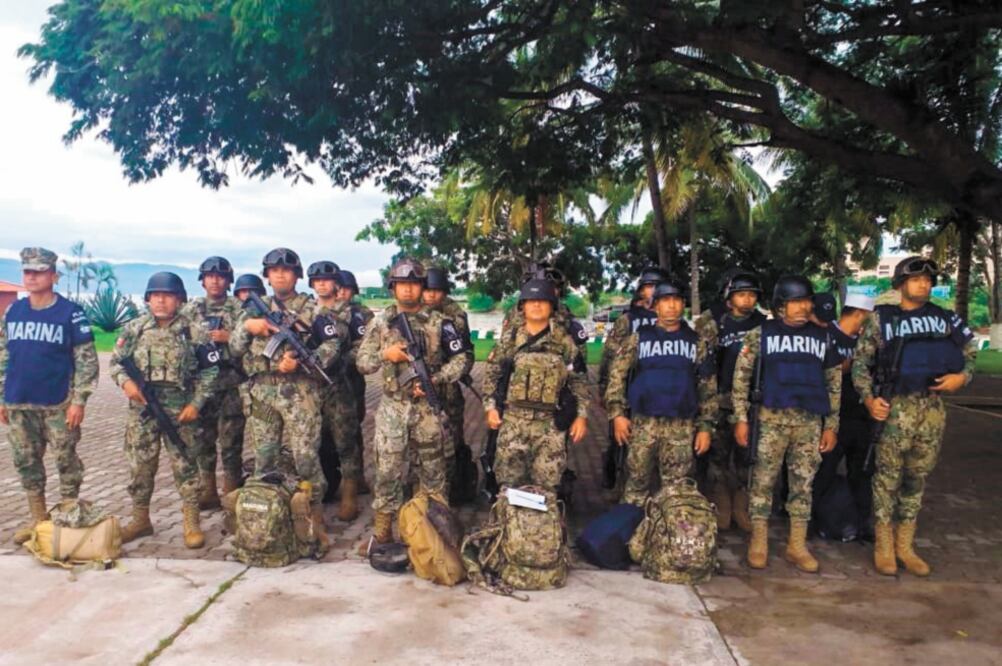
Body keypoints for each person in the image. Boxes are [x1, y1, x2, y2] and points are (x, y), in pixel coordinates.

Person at [852, 256, 978, 577]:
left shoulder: (946, 319)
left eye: (928, 280)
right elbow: (860, 365)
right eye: (917, 279)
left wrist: (961, 378)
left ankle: (905, 545)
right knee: (886, 479)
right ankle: (884, 545)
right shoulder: (882, 321)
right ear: (900, 284)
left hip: (931, 409)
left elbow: (969, 355)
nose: (924, 284)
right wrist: (868, 399)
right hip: (894, 409)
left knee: (916, 477)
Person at [230, 248, 345, 554]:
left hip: (300, 393)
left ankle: (314, 519)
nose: (280, 275)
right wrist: (248, 328)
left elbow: (333, 343)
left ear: (297, 275)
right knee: (264, 458)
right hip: (264, 393)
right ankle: (264, 523)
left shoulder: (313, 310)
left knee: (306, 457)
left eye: (287, 270)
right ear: (267, 276)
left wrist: (309, 362)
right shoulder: (253, 310)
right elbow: (233, 349)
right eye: (274, 270)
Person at [355, 258, 468, 551]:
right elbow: (362, 362)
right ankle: (382, 535)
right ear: (393, 288)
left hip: (428, 409)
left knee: (433, 472)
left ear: (421, 287)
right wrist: (386, 354)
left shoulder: (440, 323)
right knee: (388, 471)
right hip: (393, 407)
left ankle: (430, 533)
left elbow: (461, 359)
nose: (407, 291)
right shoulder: (380, 323)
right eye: (401, 285)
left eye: (413, 284)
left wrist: (438, 377)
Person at [732, 275, 841, 573]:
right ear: (781, 306)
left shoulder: (823, 337)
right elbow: (740, 381)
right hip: (769, 422)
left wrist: (831, 425)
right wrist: (741, 419)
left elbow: (833, 384)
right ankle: (759, 541)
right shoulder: (760, 334)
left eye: (806, 301)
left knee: (802, 485)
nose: (803, 307)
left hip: (808, 423)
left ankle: (796, 545)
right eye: (796, 302)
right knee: (762, 482)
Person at [110, 272, 219, 548]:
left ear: (179, 299)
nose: (160, 300)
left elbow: (211, 371)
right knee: (140, 466)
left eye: (167, 295)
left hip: (180, 410)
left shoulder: (194, 330)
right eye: (155, 295)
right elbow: (116, 363)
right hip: (142, 409)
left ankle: (191, 521)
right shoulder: (135, 328)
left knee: (185, 464)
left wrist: (197, 403)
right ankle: (140, 519)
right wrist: (126, 384)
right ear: (147, 299)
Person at [0, 247, 99, 544]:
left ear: (53, 276)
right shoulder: (13, 311)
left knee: (66, 462)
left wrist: (79, 400)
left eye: (39, 271)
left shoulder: (70, 313)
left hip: (59, 404)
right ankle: (39, 522)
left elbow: (86, 360)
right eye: (28, 272)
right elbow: (4, 354)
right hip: (19, 402)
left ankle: (68, 519)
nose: (32, 277)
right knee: (26, 462)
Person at [604, 279, 717, 505]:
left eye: (677, 300)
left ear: (683, 305)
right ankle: (634, 537)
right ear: (655, 306)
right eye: (666, 300)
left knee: (676, 491)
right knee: (636, 485)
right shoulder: (638, 338)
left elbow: (708, 387)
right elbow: (617, 375)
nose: (672, 306)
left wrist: (705, 426)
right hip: (643, 424)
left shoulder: (697, 342)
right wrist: (617, 415)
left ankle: (668, 538)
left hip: (681, 426)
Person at [482, 278, 590, 492]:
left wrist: (581, 416)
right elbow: (491, 376)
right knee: (509, 488)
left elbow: (579, 381)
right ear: (523, 305)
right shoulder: (509, 340)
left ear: (552, 306)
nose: (537, 305)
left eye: (543, 300)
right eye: (531, 301)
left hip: (550, 426)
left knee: (546, 488)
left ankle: (545, 525)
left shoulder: (564, 343)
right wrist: (490, 408)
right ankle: (509, 525)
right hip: (513, 423)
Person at [694, 271, 767, 531]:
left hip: (751, 401)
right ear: (729, 297)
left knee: (748, 455)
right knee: (718, 455)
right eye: (741, 294)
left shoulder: (762, 323)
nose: (747, 300)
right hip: (720, 398)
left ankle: (741, 504)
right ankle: (721, 502)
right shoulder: (713, 320)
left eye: (751, 295)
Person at [182, 256, 246, 508]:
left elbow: (249, 346)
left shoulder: (238, 310)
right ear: (202, 280)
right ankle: (207, 491)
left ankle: (231, 495)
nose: (215, 281)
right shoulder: (191, 310)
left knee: (231, 442)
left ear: (228, 280)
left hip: (231, 384)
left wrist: (229, 337)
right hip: (202, 388)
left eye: (220, 276)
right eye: (210, 276)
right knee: (202, 440)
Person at [811, 293, 875, 540]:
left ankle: (860, 524)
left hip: (863, 418)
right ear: (860, 314)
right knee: (823, 470)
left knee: (862, 473)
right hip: (833, 418)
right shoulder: (828, 335)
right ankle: (815, 520)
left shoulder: (867, 341)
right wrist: (842, 366)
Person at [308, 260, 362, 520]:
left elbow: (363, 347)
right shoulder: (305, 312)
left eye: (326, 279)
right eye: (316, 280)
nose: (321, 284)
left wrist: (341, 358)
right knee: (311, 442)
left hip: (339, 385)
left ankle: (350, 495)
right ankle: (317, 493)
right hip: (308, 388)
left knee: (345, 442)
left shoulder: (352, 313)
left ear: (336, 284)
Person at [421, 267, 475, 487]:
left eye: (437, 290)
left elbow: (466, 355)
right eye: (427, 290)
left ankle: (455, 486)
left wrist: (448, 374)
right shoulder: (414, 313)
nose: (431, 295)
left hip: (448, 386)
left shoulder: (455, 316)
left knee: (452, 438)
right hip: (419, 386)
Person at [335, 269, 375, 493]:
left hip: (351, 378)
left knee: (352, 428)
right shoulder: (321, 311)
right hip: (325, 381)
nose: (341, 293)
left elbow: (366, 345)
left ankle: (356, 477)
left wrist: (338, 357)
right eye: (338, 288)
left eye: (346, 289)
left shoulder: (363, 314)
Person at [597, 266, 664, 397]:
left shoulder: (671, 319)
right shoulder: (627, 319)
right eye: (649, 286)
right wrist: (603, 386)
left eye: (657, 286)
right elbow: (610, 353)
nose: (654, 290)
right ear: (641, 291)